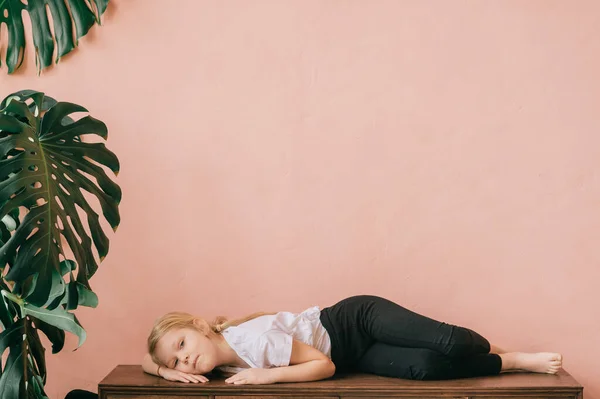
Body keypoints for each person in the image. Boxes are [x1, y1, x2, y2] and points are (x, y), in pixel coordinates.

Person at [143, 295, 562, 384]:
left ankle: (499, 348)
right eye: (176, 361)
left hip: (355, 321)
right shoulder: (220, 364)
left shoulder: (254, 342)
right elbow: (144, 363)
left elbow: (324, 367)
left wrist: (262, 379)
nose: (185, 361)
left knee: (449, 344)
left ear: (199, 326)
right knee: (426, 368)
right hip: (352, 354)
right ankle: (509, 363)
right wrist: (166, 372)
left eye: (181, 346)